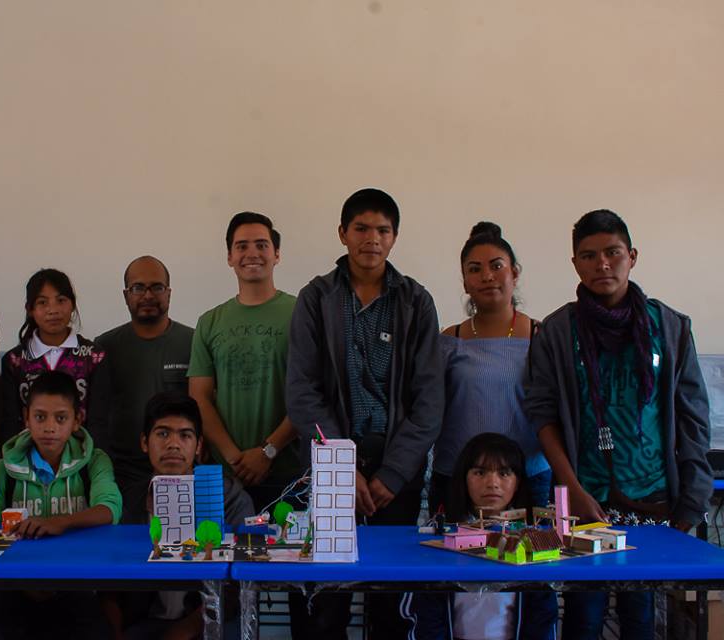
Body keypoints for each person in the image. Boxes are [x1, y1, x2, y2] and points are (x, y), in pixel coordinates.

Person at [523, 209, 712, 639]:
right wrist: (572, 488)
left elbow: (692, 418)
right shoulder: (556, 331)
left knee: (641, 617)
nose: (602, 264)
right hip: (585, 499)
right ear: (575, 263)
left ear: (633, 256)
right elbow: (543, 415)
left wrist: (693, 497)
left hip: (653, 499)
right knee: (584, 615)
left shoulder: (669, 327)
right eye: (588, 256)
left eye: (612, 253)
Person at [286, 187, 445, 639]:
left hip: (397, 474)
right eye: (361, 228)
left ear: (394, 238)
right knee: (326, 603)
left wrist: (393, 473)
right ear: (342, 233)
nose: (371, 239)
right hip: (329, 468)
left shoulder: (417, 302)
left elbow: (430, 400)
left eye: (382, 230)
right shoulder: (315, 299)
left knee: (391, 603)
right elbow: (301, 391)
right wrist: (342, 468)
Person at [0, 371, 120, 639]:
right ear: (26, 417)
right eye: (40, 417)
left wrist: (59, 522)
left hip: (77, 583)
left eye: (61, 418)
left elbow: (109, 509)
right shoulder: (1, 470)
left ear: (77, 420)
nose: (49, 427)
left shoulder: (95, 461)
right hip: (11, 584)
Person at [104, 391, 253, 639]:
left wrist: (183, 631)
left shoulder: (229, 499)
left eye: (185, 435)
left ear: (199, 446)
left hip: (209, 623)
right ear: (144, 442)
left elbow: (238, 584)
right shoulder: (125, 501)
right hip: (141, 623)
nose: (173, 444)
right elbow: (107, 583)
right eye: (162, 434)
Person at [429, 222, 550, 514]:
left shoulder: (541, 336)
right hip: (457, 477)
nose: (486, 276)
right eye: (474, 269)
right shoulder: (449, 340)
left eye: (496, 266)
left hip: (525, 478)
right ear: (465, 281)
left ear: (515, 272)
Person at [188, 212, 300, 512]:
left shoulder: (302, 314)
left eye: (262, 245)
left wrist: (268, 452)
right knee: (218, 555)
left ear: (276, 255)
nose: (252, 253)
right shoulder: (210, 322)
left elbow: (312, 394)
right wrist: (234, 457)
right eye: (242, 246)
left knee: (288, 557)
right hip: (226, 476)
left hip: (289, 475)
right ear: (229, 256)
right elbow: (199, 396)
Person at [401, 433, 558, 640]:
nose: (492, 483)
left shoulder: (535, 538)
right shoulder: (438, 537)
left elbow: (543, 615)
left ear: (518, 481)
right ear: (463, 478)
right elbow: (423, 610)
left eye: (504, 473)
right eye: (480, 472)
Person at [95, 256, 194, 517]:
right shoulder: (104, 347)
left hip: (181, 471)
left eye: (157, 287)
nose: (148, 295)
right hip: (121, 473)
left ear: (169, 293)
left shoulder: (193, 343)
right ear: (126, 295)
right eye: (138, 288)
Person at [0, 268, 110, 446]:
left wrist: (94, 464)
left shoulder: (94, 356)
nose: (53, 310)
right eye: (42, 302)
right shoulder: (15, 360)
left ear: (72, 304)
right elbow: (9, 421)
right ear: (30, 309)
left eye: (61, 300)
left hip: (81, 459)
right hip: (27, 461)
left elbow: (99, 421)